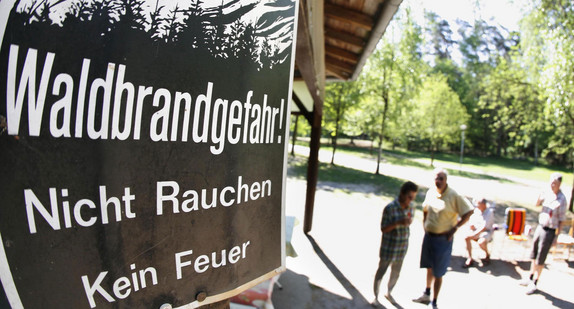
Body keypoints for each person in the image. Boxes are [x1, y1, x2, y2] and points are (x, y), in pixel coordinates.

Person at [412, 168, 473, 309]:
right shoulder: (431, 192)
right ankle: (426, 294)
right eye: (436, 178)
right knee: (428, 266)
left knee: (438, 271)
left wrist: (455, 228)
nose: (438, 181)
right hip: (429, 236)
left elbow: (469, 211)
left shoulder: (453, 195)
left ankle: (434, 301)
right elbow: (426, 209)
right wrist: (425, 224)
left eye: (441, 178)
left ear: (446, 180)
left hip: (443, 239)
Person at [372, 181, 418, 307]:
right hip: (389, 247)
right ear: (402, 193)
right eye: (409, 197)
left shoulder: (411, 207)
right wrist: (398, 222)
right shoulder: (390, 208)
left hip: (402, 247)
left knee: (396, 272)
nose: (411, 200)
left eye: (413, 198)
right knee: (381, 271)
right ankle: (375, 296)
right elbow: (383, 228)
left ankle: (389, 292)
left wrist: (407, 222)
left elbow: (410, 221)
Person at [520, 172, 567, 295]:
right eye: (551, 182)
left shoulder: (562, 199)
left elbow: (561, 220)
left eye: (554, 183)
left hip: (550, 231)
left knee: (541, 257)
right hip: (540, 227)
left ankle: (535, 281)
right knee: (534, 254)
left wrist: (557, 236)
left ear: (559, 184)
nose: (552, 185)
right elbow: (537, 204)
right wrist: (540, 197)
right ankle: (529, 277)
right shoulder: (547, 194)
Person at [462, 197, 495, 268]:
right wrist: (471, 225)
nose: (477, 206)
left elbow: (485, 227)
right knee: (466, 237)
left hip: (485, 232)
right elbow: (472, 219)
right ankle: (470, 258)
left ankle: (487, 255)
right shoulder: (477, 211)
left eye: (478, 204)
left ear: (483, 204)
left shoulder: (490, 212)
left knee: (481, 242)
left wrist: (475, 234)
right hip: (475, 230)